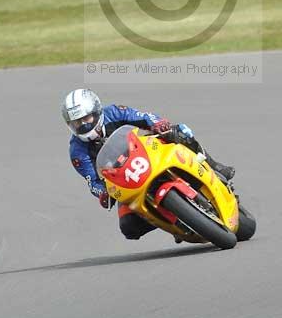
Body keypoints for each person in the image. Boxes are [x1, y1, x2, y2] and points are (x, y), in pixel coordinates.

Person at [62, 88, 235, 240]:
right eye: (77, 122)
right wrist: (103, 193)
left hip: (150, 151)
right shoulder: (77, 151)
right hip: (126, 181)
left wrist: (158, 124)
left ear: (96, 111)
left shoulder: (114, 112)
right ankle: (172, 219)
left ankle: (214, 166)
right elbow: (93, 181)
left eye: (87, 118)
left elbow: (144, 117)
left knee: (180, 132)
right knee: (129, 227)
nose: (83, 125)